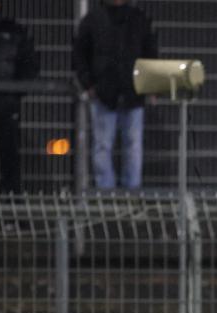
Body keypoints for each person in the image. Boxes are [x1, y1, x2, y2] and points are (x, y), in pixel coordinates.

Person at [74, 0, 157, 190]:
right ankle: (106, 193)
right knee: (105, 145)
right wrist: (89, 83)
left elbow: (150, 51)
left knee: (131, 145)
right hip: (105, 93)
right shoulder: (93, 20)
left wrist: (151, 84)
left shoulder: (138, 19)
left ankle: (131, 192)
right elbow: (80, 55)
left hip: (133, 92)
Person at [0, 0, 37, 193]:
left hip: (5, 106)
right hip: (3, 103)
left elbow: (29, 64)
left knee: (10, 162)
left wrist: (15, 92)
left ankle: (11, 214)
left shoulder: (15, 30)